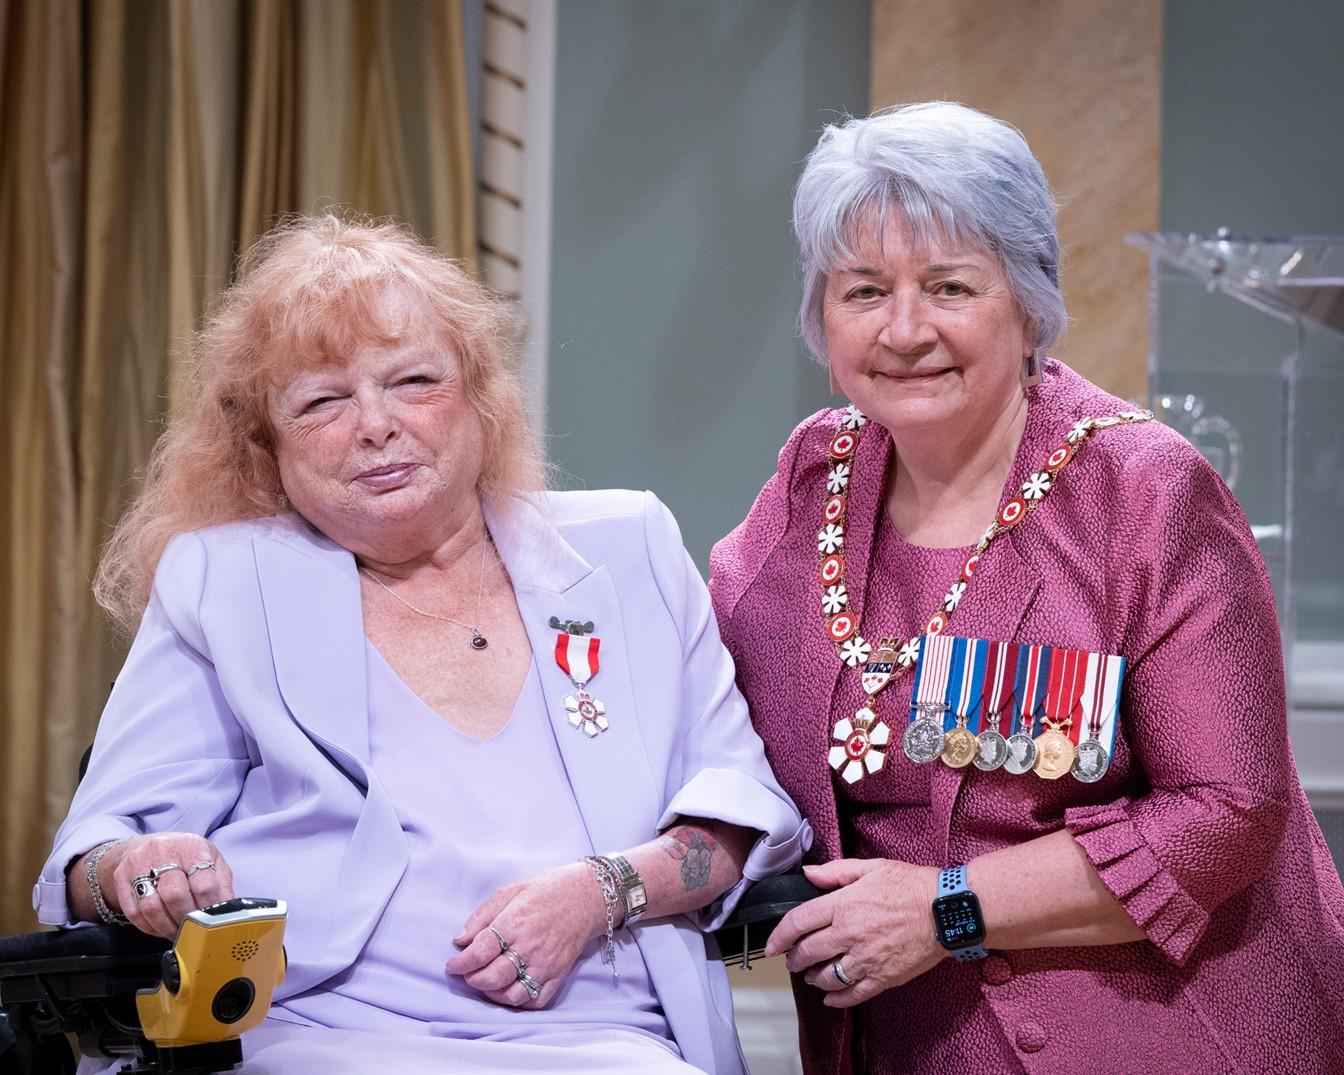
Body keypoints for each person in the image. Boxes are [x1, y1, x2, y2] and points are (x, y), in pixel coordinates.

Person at [35, 215, 810, 1074]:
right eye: (322, 401)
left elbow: (740, 806)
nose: (375, 424)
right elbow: (95, 850)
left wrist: (602, 890)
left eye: (412, 380)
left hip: (605, 1037)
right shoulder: (223, 582)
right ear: (267, 446)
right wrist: (137, 866)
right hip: (317, 1030)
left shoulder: (628, 549)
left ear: (480, 397)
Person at [710, 102, 1344, 1074]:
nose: (905, 328)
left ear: (1026, 301)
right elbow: (692, 689)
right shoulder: (812, 480)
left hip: (1162, 1038)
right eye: (865, 290)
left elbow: (1227, 809)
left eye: (950, 286)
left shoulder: (1145, 494)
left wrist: (945, 909)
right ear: (820, 315)